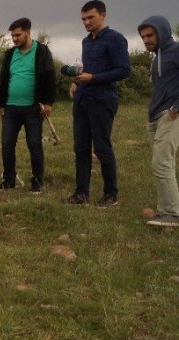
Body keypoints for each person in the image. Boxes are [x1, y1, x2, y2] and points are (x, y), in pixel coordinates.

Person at [64, 1, 131, 207]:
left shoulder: (115, 39)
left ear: (103, 15)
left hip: (103, 99)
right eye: (83, 19)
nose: (86, 22)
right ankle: (81, 194)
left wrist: (93, 78)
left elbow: (124, 70)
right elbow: (87, 70)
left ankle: (111, 195)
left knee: (102, 147)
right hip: (83, 99)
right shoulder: (87, 41)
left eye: (90, 17)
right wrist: (77, 82)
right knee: (81, 148)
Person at [0, 18, 56, 194]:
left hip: (33, 107)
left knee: (34, 143)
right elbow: (3, 79)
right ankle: (9, 180)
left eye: (18, 35)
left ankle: (37, 181)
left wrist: (48, 102)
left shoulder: (42, 51)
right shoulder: (10, 54)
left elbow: (50, 77)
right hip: (11, 108)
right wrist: (1, 103)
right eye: (12, 35)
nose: (14, 38)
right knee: (6, 144)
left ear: (28, 32)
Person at [138, 16, 179, 226]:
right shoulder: (156, 58)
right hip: (154, 116)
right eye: (143, 36)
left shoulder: (176, 50)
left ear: (162, 31)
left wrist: (176, 107)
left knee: (161, 162)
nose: (145, 40)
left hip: (171, 114)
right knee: (163, 163)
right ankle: (166, 211)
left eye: (150, 35)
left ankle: (172, 213)